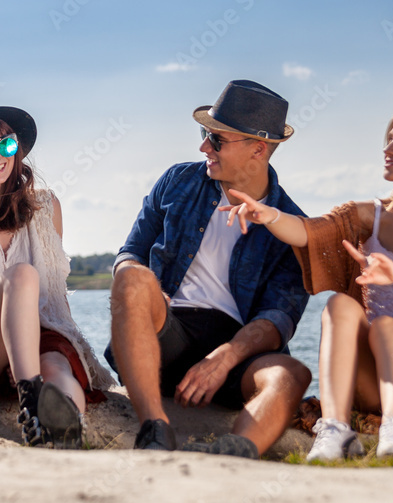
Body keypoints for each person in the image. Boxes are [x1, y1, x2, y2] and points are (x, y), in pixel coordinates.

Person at [223, 102, 393, 460]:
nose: (389, 149)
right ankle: (334, 430)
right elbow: (310, 232)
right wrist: (269, 215)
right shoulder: (367, 215)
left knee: (388, 330)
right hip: (373, 379)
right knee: (340, 305)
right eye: (389, 140)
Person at [107, 80, 312, 458]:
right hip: (164, 335)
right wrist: (147, 287)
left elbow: (278, 318)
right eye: (205, 134)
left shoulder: (294, 226)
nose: (204, 147)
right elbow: (130, 252)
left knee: (291, 374)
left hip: (238, 352)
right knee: (132, 278)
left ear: (258, 149)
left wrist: (225, 357)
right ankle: (155, 430)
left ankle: (237, 452)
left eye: (216, 140)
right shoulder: (177, 181)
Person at [0, 101, 115, 449]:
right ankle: (30, 397)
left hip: (43, 331)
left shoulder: (45, 205)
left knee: (58, 369)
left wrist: (59, 343)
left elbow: (57, 291)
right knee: (22, 276)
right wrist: (15, 339)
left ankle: (65, 427)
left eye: (6, 144)